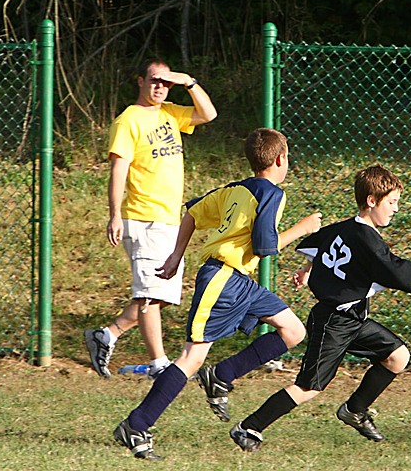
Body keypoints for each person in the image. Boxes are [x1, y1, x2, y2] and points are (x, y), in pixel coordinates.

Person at [113, 127, 322, 460]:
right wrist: (304, 229)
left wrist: (176, 255)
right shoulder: (270, 193)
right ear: (281, 159)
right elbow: (265, 247)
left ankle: (221, 375)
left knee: (294, 330)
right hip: (223, 280)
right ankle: (136, 425)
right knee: (191, 358)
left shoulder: (235, 189)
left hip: (239, 280)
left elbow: (193, 213)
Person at [228, 164, 411, 452]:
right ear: (372, 201)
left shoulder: (346, 228)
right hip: (333, 322)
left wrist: (306, 268)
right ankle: (248, 427)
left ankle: (354, 410)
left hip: (353, 317)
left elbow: (320, 244)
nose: (396, 209)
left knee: (398, 356)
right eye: (392, 202)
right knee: (310, 386)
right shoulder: (369, 240)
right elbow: (399, 272)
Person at [84, 59, 217, 379]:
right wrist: (114, 215)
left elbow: (208, 114)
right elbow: (118, 170)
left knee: (163, 295)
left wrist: (189, 82)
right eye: (154, 81)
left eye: (165, 83)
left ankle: (108, 334)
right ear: (141, 81)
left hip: (170, 219)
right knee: (149, 295)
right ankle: (159, 364)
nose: (159, 87)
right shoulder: (128, 120)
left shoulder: (171, 112)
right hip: (142, 218)